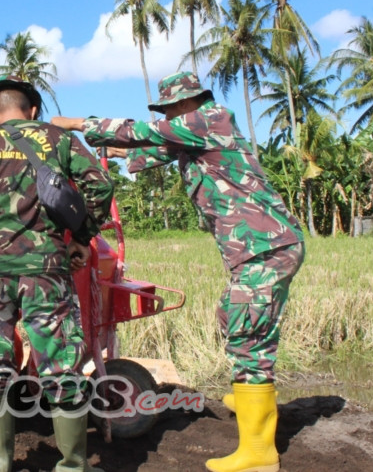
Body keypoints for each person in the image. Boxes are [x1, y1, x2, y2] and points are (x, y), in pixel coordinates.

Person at [52, 71, 305, 472]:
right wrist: (111, 152)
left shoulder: (211, 119)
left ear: (188, 104)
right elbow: (147, 151)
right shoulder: (193, 143)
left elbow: (145, 132)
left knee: (248, 336)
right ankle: (248, 395)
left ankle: (259, 453)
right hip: (257, 251)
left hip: (266, 248)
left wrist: (75, 124)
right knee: (231, 315)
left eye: (171, 109)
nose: (169, 116)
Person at [0, 76, 113, 472]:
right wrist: (83, 237)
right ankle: (73, 464)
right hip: (46, 272)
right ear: (34, 110)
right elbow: (100, 186)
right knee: (61, 364)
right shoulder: (59, 139)